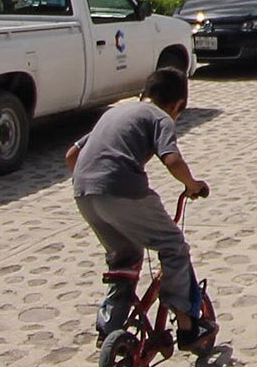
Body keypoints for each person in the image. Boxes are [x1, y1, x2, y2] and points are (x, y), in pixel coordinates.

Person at [66, 67, 215, 351]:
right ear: (178, 105)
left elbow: (72, 155)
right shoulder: (161, 117)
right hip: (122, 189)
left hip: (84, 193)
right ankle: (187, 325)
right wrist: (193, 184)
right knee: (173, 246)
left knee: (125, 257)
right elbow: (172, 160)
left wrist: (94, 181)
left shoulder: (114, 113)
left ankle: (111, 326)